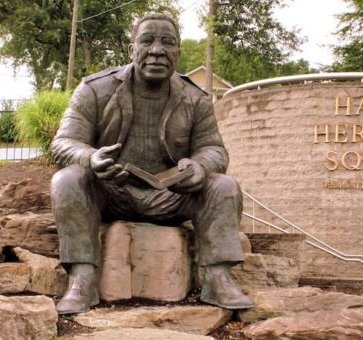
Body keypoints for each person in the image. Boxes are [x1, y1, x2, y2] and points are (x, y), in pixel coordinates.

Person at [50, 12, 253, 314]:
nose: (157, 50)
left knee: (224, 185)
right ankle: (82, 278)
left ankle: (218, 278)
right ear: (132, 50)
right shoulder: (94, 89)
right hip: (111, 193)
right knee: (67, 179)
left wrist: (199, 167)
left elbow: (214, 150)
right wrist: (91, 158)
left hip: (171, 196)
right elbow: (63, 143)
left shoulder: (195, 98)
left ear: (177, 52)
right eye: (147, 41)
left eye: (167, 43)